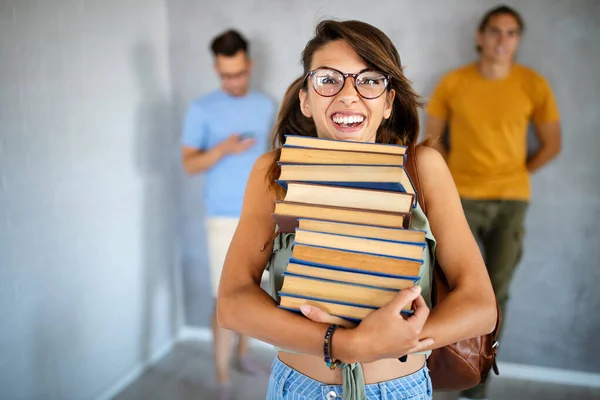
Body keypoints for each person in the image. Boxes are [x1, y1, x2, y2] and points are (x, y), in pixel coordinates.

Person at [217, 20, 497, 400]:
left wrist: (394, 340)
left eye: (368, 80)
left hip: (401, 389)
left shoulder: (424, 168)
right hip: (298, 389)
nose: (349, 95)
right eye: (328, 79)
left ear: (387, 102)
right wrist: (346, 345)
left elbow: (481, 306)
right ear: (305, 98)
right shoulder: (273, 172)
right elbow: (233, 303)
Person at [424, 5, 561, 400]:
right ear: (481, 36)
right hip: (460, 198)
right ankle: (438, 370)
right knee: (446, 288)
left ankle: (476, 384)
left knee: (495, 293)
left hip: (511, 201)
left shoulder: (533, 84)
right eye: (496, 32)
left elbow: (552, 145)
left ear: (518, 40)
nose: (503, 40)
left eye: (512, 33)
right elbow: (432, 144)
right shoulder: (454, 83)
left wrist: (515, 174)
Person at [181, 29, 275, 398]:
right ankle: (222, 378)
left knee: (253, 294)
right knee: (226, 300)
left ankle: (244, 354)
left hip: (262, 215)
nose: (233, 82)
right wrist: (223, 149)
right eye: (225, 75)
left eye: (238, 74)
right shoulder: (201, 109)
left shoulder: (267, 104)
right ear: (216, 69)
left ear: (249, 65)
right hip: (222, 217)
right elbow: (189, 164)